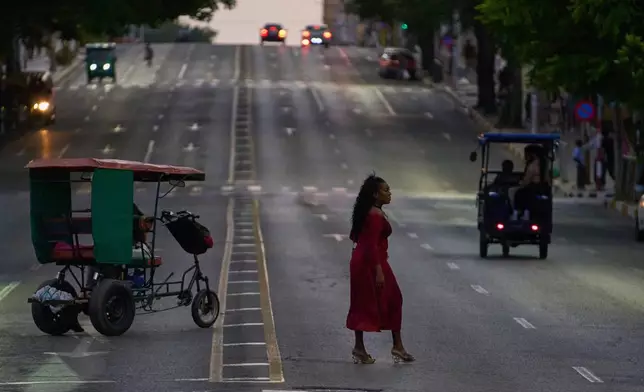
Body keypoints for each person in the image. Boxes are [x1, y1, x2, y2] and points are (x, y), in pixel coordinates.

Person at [346, 174, 415, 364]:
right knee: (394, 298)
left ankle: (362, 347)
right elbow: (370, 245)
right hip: (371, 262)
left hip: (362, 260)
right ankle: (396, 346)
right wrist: (378, 270)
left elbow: (356, 236)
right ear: (375, 195)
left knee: (362, 302)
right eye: (386, 191)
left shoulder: (367, 212)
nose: (389, 194)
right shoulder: (375, 216)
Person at [514, 145, 550, 219]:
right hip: (543, 188)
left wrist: (520, 184)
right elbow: (548, 179)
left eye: (526, 154)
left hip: (533, 188)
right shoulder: (544, 163)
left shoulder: (532, 165)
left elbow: (526, 180)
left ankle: (518, 211)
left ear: (532, 154)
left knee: (514, 192)